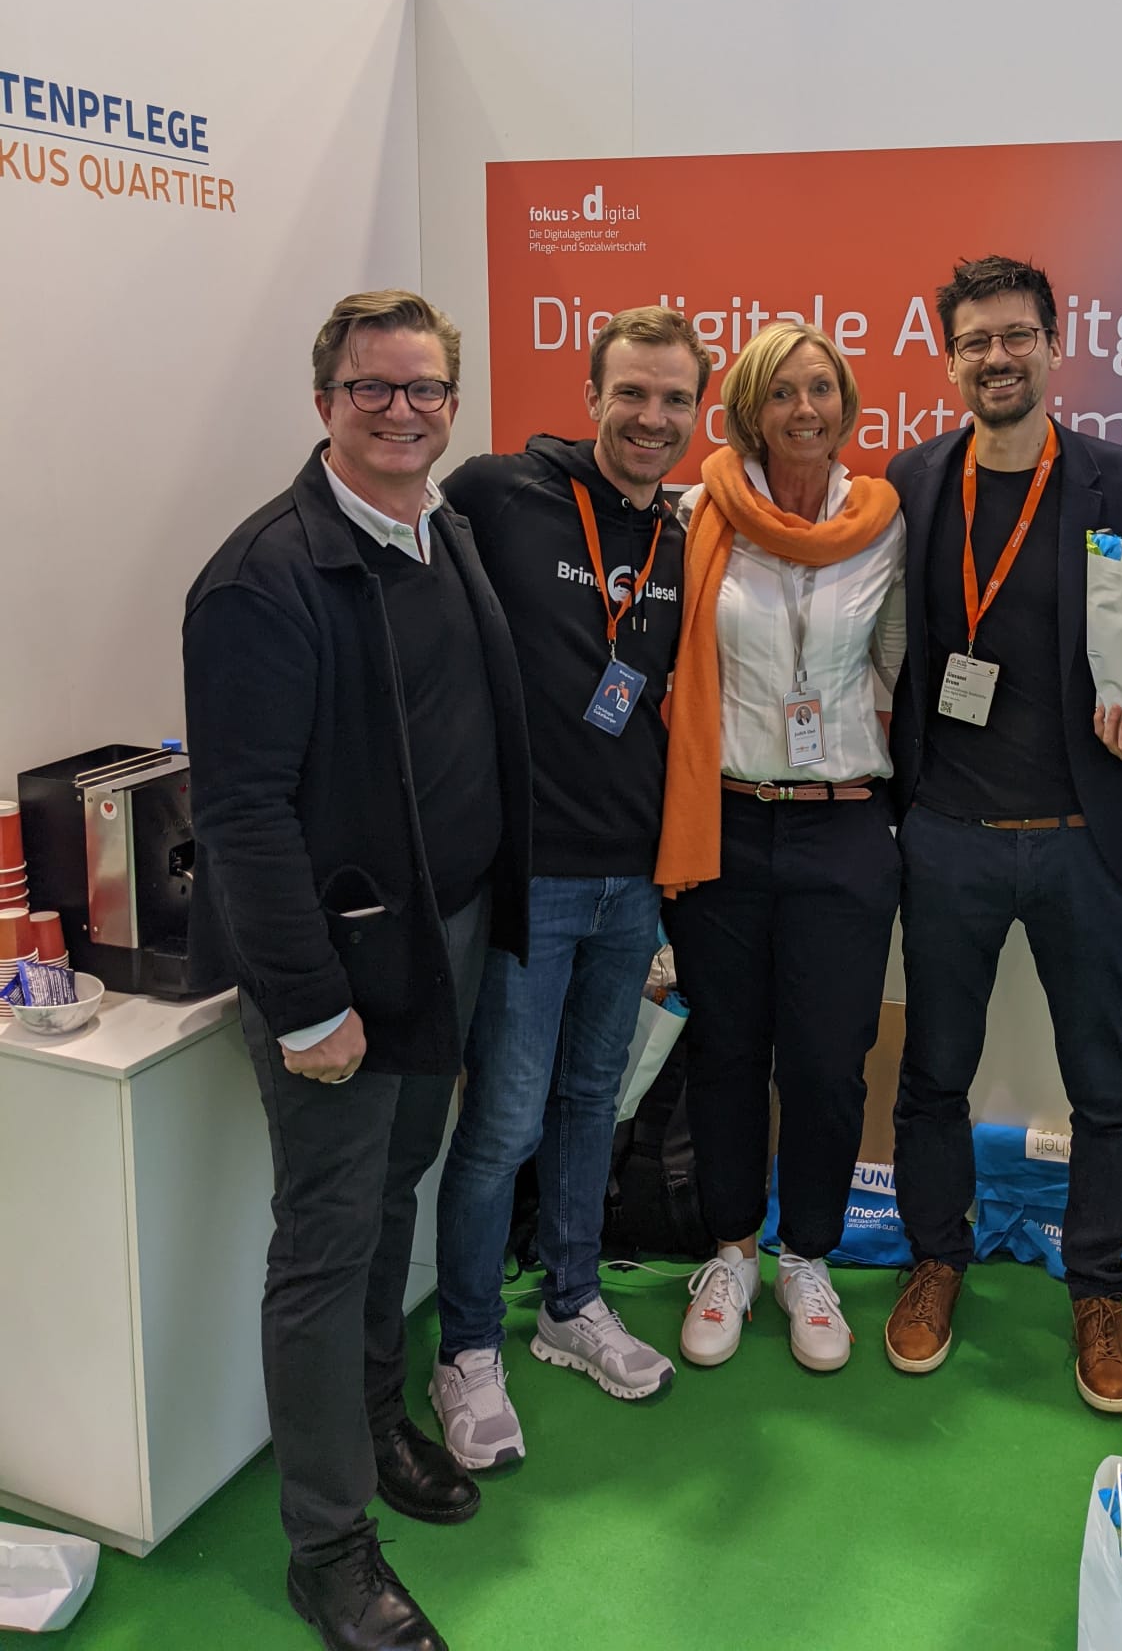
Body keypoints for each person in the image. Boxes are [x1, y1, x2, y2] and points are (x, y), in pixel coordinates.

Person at [183, 291, 532, 1651]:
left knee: (394, 1194)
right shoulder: (262, 579)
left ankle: (378, 1419)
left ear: (452, 403)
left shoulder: (439, 533)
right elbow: (242, 815)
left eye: (425, 387)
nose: (401, 410)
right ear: (324, 400)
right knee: (326, 1246)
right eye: (373, 387)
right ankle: (327, 1548)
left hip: (440, 942)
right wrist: (308, 1000)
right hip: (340, 970)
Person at [883, 255, 1122, 1415]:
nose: (996, 357)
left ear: (1055, 344)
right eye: (974, 342)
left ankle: (1099, 1289)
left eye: (1016, 336)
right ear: (949, 358)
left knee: (1103, 1080)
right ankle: (935, 1260)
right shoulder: (909, 482)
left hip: (1081, 836)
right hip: (946, 834)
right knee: (933, 1072)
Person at [430, 307, 711, 1466]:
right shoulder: (499, 496)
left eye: (676, 400)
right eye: (631, 393)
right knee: (503, 1118)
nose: (652, 418)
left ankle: (571, 1304)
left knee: (595, 1102)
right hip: (531, 877)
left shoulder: (683, 536)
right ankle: (465, 1346)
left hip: (630, 879)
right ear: (592, 394)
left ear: (697, 414)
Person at [657, 322, 905, 1373]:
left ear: (846, 404)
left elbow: (904, 665)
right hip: (722, 819)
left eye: (823, 389)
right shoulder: (696, 516)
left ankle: (807, 1255)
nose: (806, 409)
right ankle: (731, 1252)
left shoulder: (885, 524)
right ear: (749, 410)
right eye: (782, 392)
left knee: (828, 1062)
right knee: (725, 1051)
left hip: (843, 823)